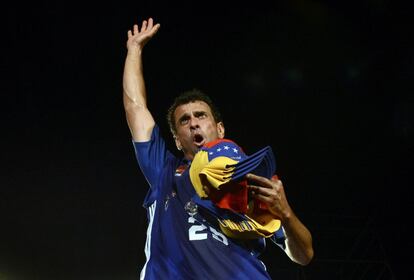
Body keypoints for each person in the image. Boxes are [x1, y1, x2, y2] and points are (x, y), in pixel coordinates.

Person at [122, 17, 314, 279]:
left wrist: (286, 214)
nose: (193, 124)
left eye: (201, 116)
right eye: (184, 120)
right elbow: (135, 106)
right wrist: (134, 51)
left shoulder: (251, 182)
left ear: (220, 129)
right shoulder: (165, 170)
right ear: (177, 140)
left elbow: (304, 255)